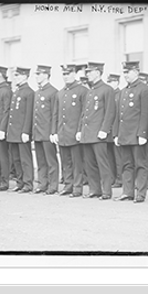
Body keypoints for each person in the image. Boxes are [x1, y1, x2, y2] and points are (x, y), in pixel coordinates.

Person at [113, 61, 148, 203]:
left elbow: (146, 114)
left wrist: (143, 133)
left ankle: (141, 194)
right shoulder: (123, 91)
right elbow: (119, 115)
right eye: (124, 72)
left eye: (128, 72)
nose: (125, 75)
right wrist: (116, 134)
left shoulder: (144, 90)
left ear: (136, 72)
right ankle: (127, 192)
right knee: (126, 165)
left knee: (141, 165)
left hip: (137, 135)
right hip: (124, 135)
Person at [76, 61, 116, 200]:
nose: (87, 74)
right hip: (87, 133)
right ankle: (95, 189)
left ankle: (106, 191)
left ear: (98, 72)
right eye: (87, 72)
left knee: (102, 163)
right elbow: (84, 113)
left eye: (90, 72)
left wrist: (105, 129)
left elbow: (110, 112)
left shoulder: (107, 89)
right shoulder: (90, 90)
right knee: (90, 164)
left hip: (99, 133)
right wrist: (80, 130)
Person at [53, 64, 88, 197]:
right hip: (63, 133)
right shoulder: (60, 93)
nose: (66, 76)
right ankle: (68, 185)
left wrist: (80, 130)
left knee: (77, 163)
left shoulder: (82, 91)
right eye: (64, 74)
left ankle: (77, 188)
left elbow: (84, 113)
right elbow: (55, 114)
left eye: (68, 74)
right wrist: (54, 132)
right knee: (66, 162)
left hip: (74, 134)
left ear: (74, 74)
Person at [6, 66, 35, 194]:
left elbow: (29, 114)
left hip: (22, 132)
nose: (15, 78)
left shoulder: (29, 92)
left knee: (25, 159)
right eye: (15, 75)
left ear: (25, 76)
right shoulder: (17, 91)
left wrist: (26, 131)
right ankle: (20, 182)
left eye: (17, 75)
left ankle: (28, 183)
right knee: (16, 159)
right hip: (13, 131)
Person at [32, 65, 60, 195]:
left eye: (39, 74)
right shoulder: (38, 92)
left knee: (51, 161)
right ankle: (42, 184)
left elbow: (55, 114)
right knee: (40, 160)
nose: (36, 76)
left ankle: (53, 185)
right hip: (38, 132)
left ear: (46, 75)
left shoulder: (53, 92)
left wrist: (53, 132)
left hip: (47, 132)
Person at [106, 73, 123, 188]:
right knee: (110, 156)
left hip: (117, 130)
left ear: (117, 82)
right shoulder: (109, 95)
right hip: (108, 131)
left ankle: (120, 178)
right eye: (109, 82)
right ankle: (112, 177)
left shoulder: (120, 94)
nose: (110, 84)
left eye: (112, 82)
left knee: (118, 157)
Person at [138, 71, 148, 190]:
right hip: (137, 129)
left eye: (143, 80)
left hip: (145, 129)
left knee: (146, 158)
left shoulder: (147, 91)